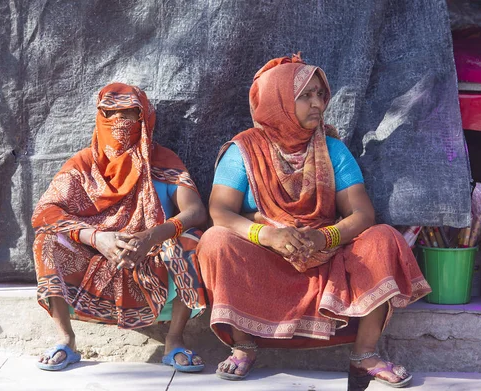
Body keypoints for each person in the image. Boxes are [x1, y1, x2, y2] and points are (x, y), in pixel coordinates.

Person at [197, 55, 432, 387]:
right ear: (277, 101)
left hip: (324, 252)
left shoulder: (333, 149)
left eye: (321, 94)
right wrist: (267, 235)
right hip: (267, 252)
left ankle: (365, 354)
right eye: (305, 95)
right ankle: (244, 347)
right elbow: (220, 212)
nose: (318, 103)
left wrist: (326, 238)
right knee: (216, 240)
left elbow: (362, 214)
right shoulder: (244, 150)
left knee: (383, 237)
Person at [32, 83, 207, 373]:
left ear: (145, 118)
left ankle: (174, 340)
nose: (119, 123)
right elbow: (45, 211)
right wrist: (97, 238)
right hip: (96, 253)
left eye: (129, 114)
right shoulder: (84, 164)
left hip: (151, 256)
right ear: (99, 117)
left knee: (189, 243)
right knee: (46, 241)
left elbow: (195, 211)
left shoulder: (161, 160)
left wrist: (151, 236)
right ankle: (66, 338)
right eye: (110, 114)